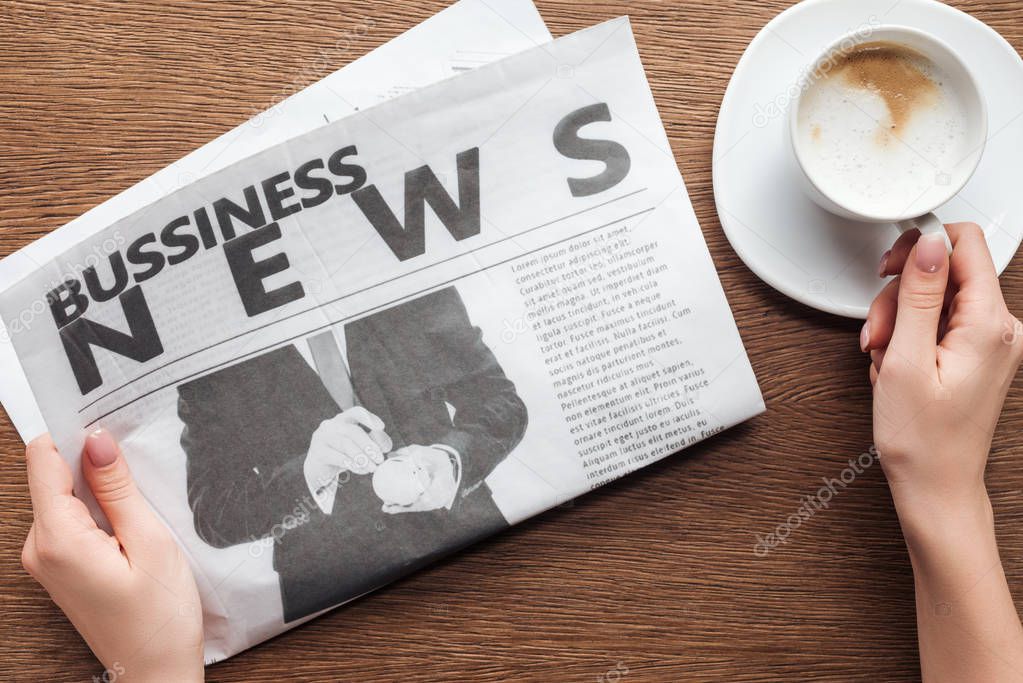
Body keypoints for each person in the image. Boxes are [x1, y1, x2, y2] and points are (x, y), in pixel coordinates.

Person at [18, 223, 1023, 680]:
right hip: (314, 600)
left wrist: (451, 459)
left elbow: (498, 405)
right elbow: (225, 511)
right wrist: (314, 468)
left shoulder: (415, 282)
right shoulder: (208, 366)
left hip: (491, 550)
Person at [176, 285, 528, 621]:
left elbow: (498, 401)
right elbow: (214, 512)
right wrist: (309, 474)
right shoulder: (210, 356)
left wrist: (451, 459)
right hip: (331, 590)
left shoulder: (401, 278)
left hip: (468, 547)